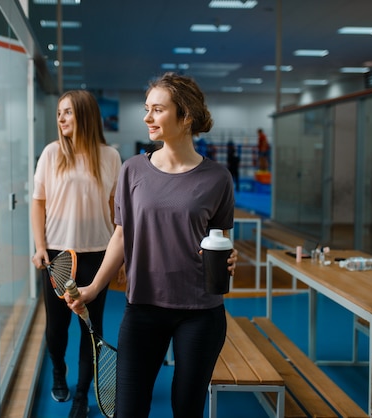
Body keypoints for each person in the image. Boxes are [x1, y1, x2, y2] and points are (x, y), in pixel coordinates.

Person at [65, 72, 238, 417]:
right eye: (147, 109)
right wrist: (94, 288)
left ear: (185, 116)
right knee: (129, 411)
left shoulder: (218, 178)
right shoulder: (133, 170)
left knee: (187, 409)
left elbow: (219, 240)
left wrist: (229, 258)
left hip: (201, 313)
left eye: (157, 110)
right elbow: (121, 234)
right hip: (143, 307)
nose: (147, 118)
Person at [31, 90, 122, 418]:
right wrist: (40, 246)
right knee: (56, 329)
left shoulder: (111, 157)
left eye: (67, 112)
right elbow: (38, 201)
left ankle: (82, 395)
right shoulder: (52, 153)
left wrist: (119, 254)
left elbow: (116, 208)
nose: (61, 119)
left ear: (84, 115)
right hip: (57, 254)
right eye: (59, 113)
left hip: (98, 254)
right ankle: (59, 371)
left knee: (91, 328)